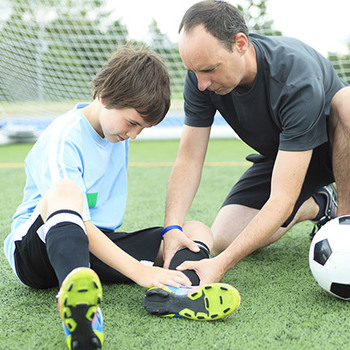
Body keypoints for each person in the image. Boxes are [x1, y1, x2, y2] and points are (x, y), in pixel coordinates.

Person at [3, 45, 240, 350]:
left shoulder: (117, 135)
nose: (135, 134)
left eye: (142, 127)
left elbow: (98, 231)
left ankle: (178, 292)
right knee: (66, 191)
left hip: (99, 244)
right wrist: (140, 270)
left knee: (192, 230)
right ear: (104, 97)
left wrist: (169, 239)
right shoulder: (64, 136)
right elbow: (77, 218)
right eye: (133, 123)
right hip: (40, 251)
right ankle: (79, 302)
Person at [162, 0, 350, 286]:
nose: (201, 83)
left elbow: (281, 199)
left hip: (336, 150)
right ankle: (320, 203)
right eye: (194, 72)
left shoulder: (295, 77)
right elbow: (188, 159)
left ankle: (345, 221)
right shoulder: (199, 78)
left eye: (209, 70)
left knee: (347, 103)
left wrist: (219, 266)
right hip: (285, 156)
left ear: (240, 44)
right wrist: (171, 228)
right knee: (225, 235)